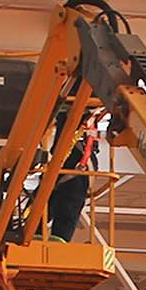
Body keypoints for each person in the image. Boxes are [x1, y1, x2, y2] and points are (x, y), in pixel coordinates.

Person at [46, 100, 103, 243]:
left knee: (61, 204)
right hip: (69, 164)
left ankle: (52, 238)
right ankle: (36, 233)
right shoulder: (83, 115)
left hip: (76, 165)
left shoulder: (82, 116)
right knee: (45, 202)